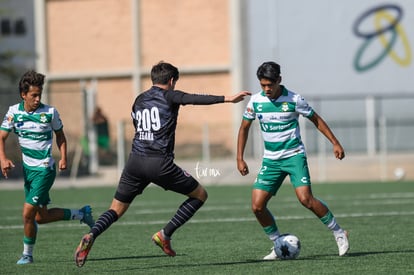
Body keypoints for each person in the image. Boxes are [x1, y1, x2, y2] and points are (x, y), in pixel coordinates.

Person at [74, 61, 251, 267]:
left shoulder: (139, 99)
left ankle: (91, 234)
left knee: (116, 209)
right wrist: (228, 98)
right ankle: (165, 234)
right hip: (159, 164)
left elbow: (138, 125)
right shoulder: (170, 95)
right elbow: (194, 99)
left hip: (134, 162)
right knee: (200, 195)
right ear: (172, 80)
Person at [236, 61, 349, 259]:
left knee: (306, 199)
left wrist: (335, 142)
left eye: (270, 84)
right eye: (263, 85)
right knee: (257, 206)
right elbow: (244, 128)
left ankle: (339, 232)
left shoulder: (295, 99)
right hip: (271, 161)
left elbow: (316, 120)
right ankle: (278, 243)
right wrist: (240, 158)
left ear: (279, 80)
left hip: (294, 155)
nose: (267, 89)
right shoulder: (255, 101)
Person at [0, 70, 95, 265]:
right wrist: (3, 159)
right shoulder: (13, 112)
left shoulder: (50, 112)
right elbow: (1, 137)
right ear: (23, 95)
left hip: (45, 169)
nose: (37, 99)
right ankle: (81, 213)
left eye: (39, 95)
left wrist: (63, 157)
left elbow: (60, 135)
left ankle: (27, 254)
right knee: (41, 217)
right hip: (29, 171)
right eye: (33, 95)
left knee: (27, 214)